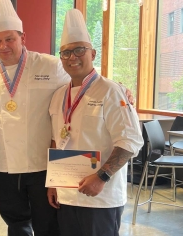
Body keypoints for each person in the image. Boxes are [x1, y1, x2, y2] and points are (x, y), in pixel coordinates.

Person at [0, 0, 71, 235]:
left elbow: (82, 79)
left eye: (9, 39)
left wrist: (117, 86)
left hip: (41, 164)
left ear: (22, 37)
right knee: (15, 222)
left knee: (47, 222)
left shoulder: (49, 65)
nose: (3, 46)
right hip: (3, 164)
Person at [46, 9, 144, 236]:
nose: (72, 57)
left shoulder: (111, 91)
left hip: (101, 197)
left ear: (93, 53)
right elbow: (56, 139)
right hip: (66, 193)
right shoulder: (59, 95)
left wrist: (102, 177)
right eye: (66, 52)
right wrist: (53, 182)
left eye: (79, 50)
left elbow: (131, 141)